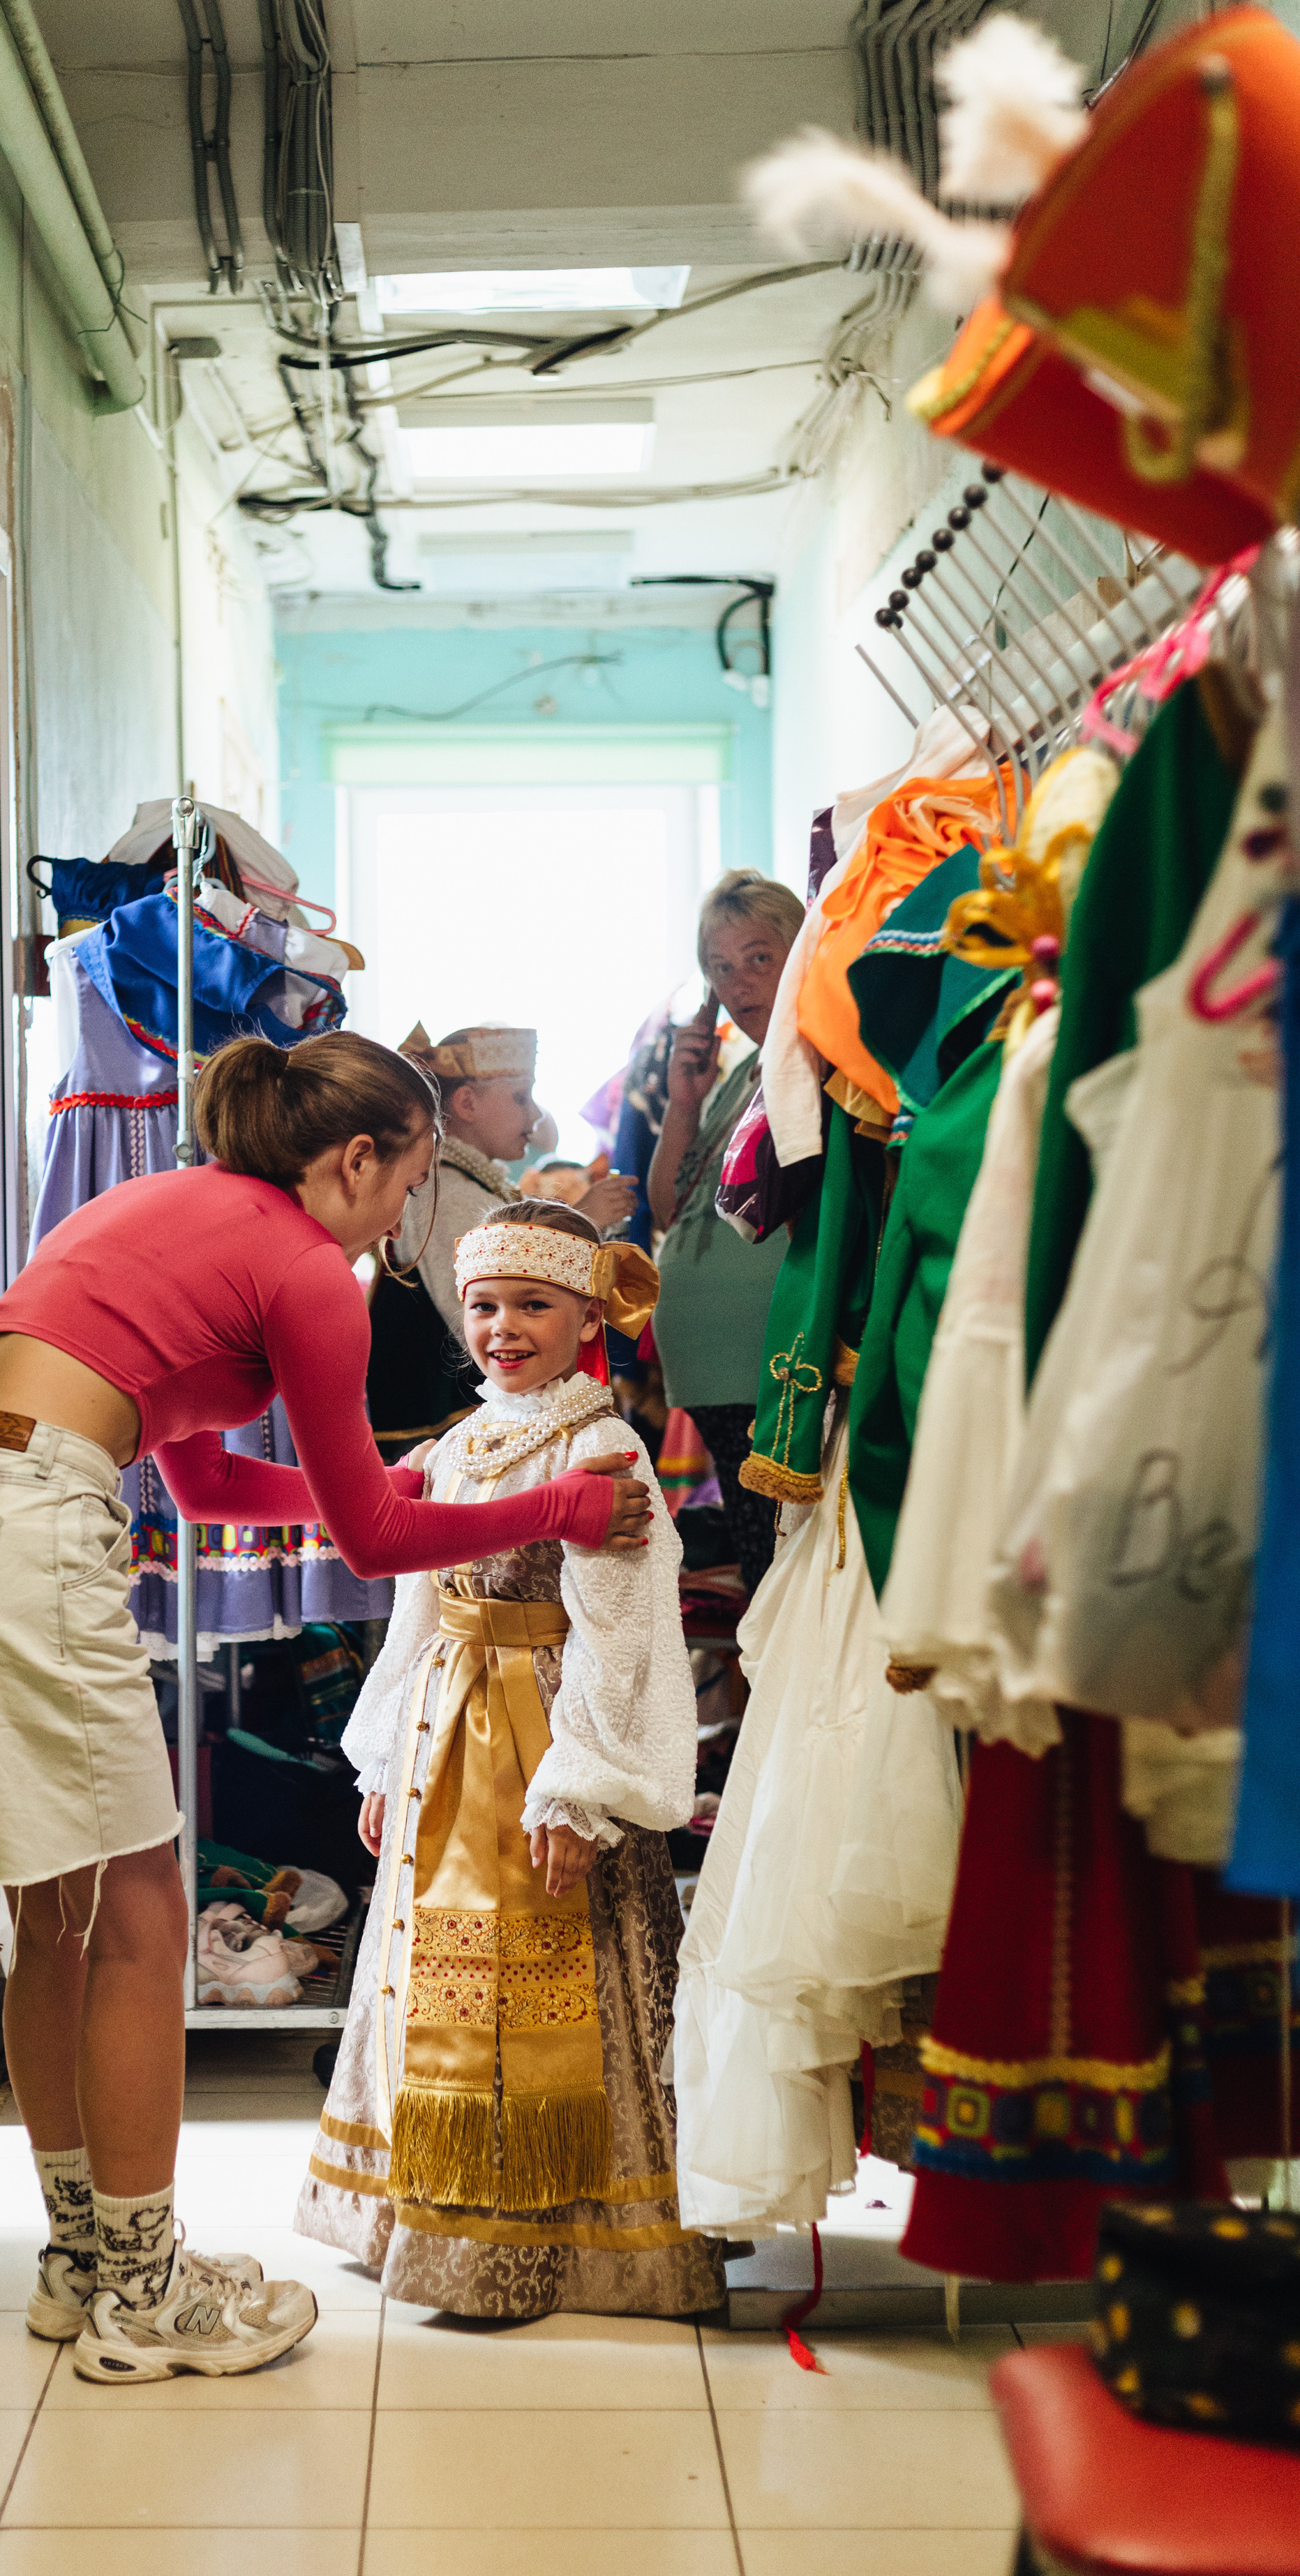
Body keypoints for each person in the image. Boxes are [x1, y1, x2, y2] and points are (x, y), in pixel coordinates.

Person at [0, 1032, 652, 2386]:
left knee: (58, 1911)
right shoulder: (303, 1269)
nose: (407, 1215)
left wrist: (445, 1498)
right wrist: (555, 1507)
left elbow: (220, 1491)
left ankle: (85, 2259)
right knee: (144, 1913)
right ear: (354, 1159)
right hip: (34, 1531)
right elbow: (375, 1541)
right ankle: (150, 2295)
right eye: (405, 1184)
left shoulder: (159, 1206)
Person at [297, 1200, 724, 2319]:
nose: (502, 1328)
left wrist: (579, 1789)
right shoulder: (464, 1438)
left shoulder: (601, 1445)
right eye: (484, 1305)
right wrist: (386, 1756)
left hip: (540, 1734)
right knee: (432, 1971)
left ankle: (546, 2241)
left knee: (537, 1978)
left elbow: (624, 1630)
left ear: (588, 1316)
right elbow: (416, 1610)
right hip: (448, 1725)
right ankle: (423, 2208)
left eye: (533, 1305)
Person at [366, 1024, 637, 1457]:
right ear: (467, 1103)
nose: (534, 1116)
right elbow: (473, 1307)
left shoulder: (467, 1181)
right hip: (440, 1422)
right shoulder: (445, 1188)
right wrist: (583, 1220)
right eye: (520, 1097)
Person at [648, 870, 805, 1596]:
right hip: (718, 1372)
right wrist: (685, 1103)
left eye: (757, 958)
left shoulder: (812, 1056)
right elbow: (666, 1208)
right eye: (720, 967)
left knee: (780, 1573)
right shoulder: (744, 1076)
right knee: (763, 1566)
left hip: (772, 1360)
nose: (739, 984)